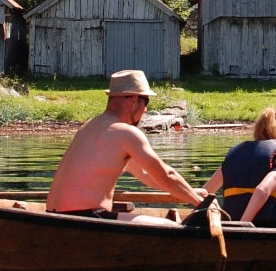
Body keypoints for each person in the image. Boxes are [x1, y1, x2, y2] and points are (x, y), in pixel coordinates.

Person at [46, 70, 207, 222]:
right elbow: (167, 175)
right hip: (85, 219)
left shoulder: (90, 126)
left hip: (55, 217)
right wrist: (201, 203)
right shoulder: (126, 133)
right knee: (171, 227)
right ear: (134, 99)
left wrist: (190, 193)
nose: (146, 110)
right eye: (146, 102)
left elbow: (147, 174)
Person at [203, 107, 276, 227]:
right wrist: (242, 225)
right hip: (264, 225)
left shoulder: (236, 156)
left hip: (230, 222)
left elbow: (206, 192)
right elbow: (262, 190)